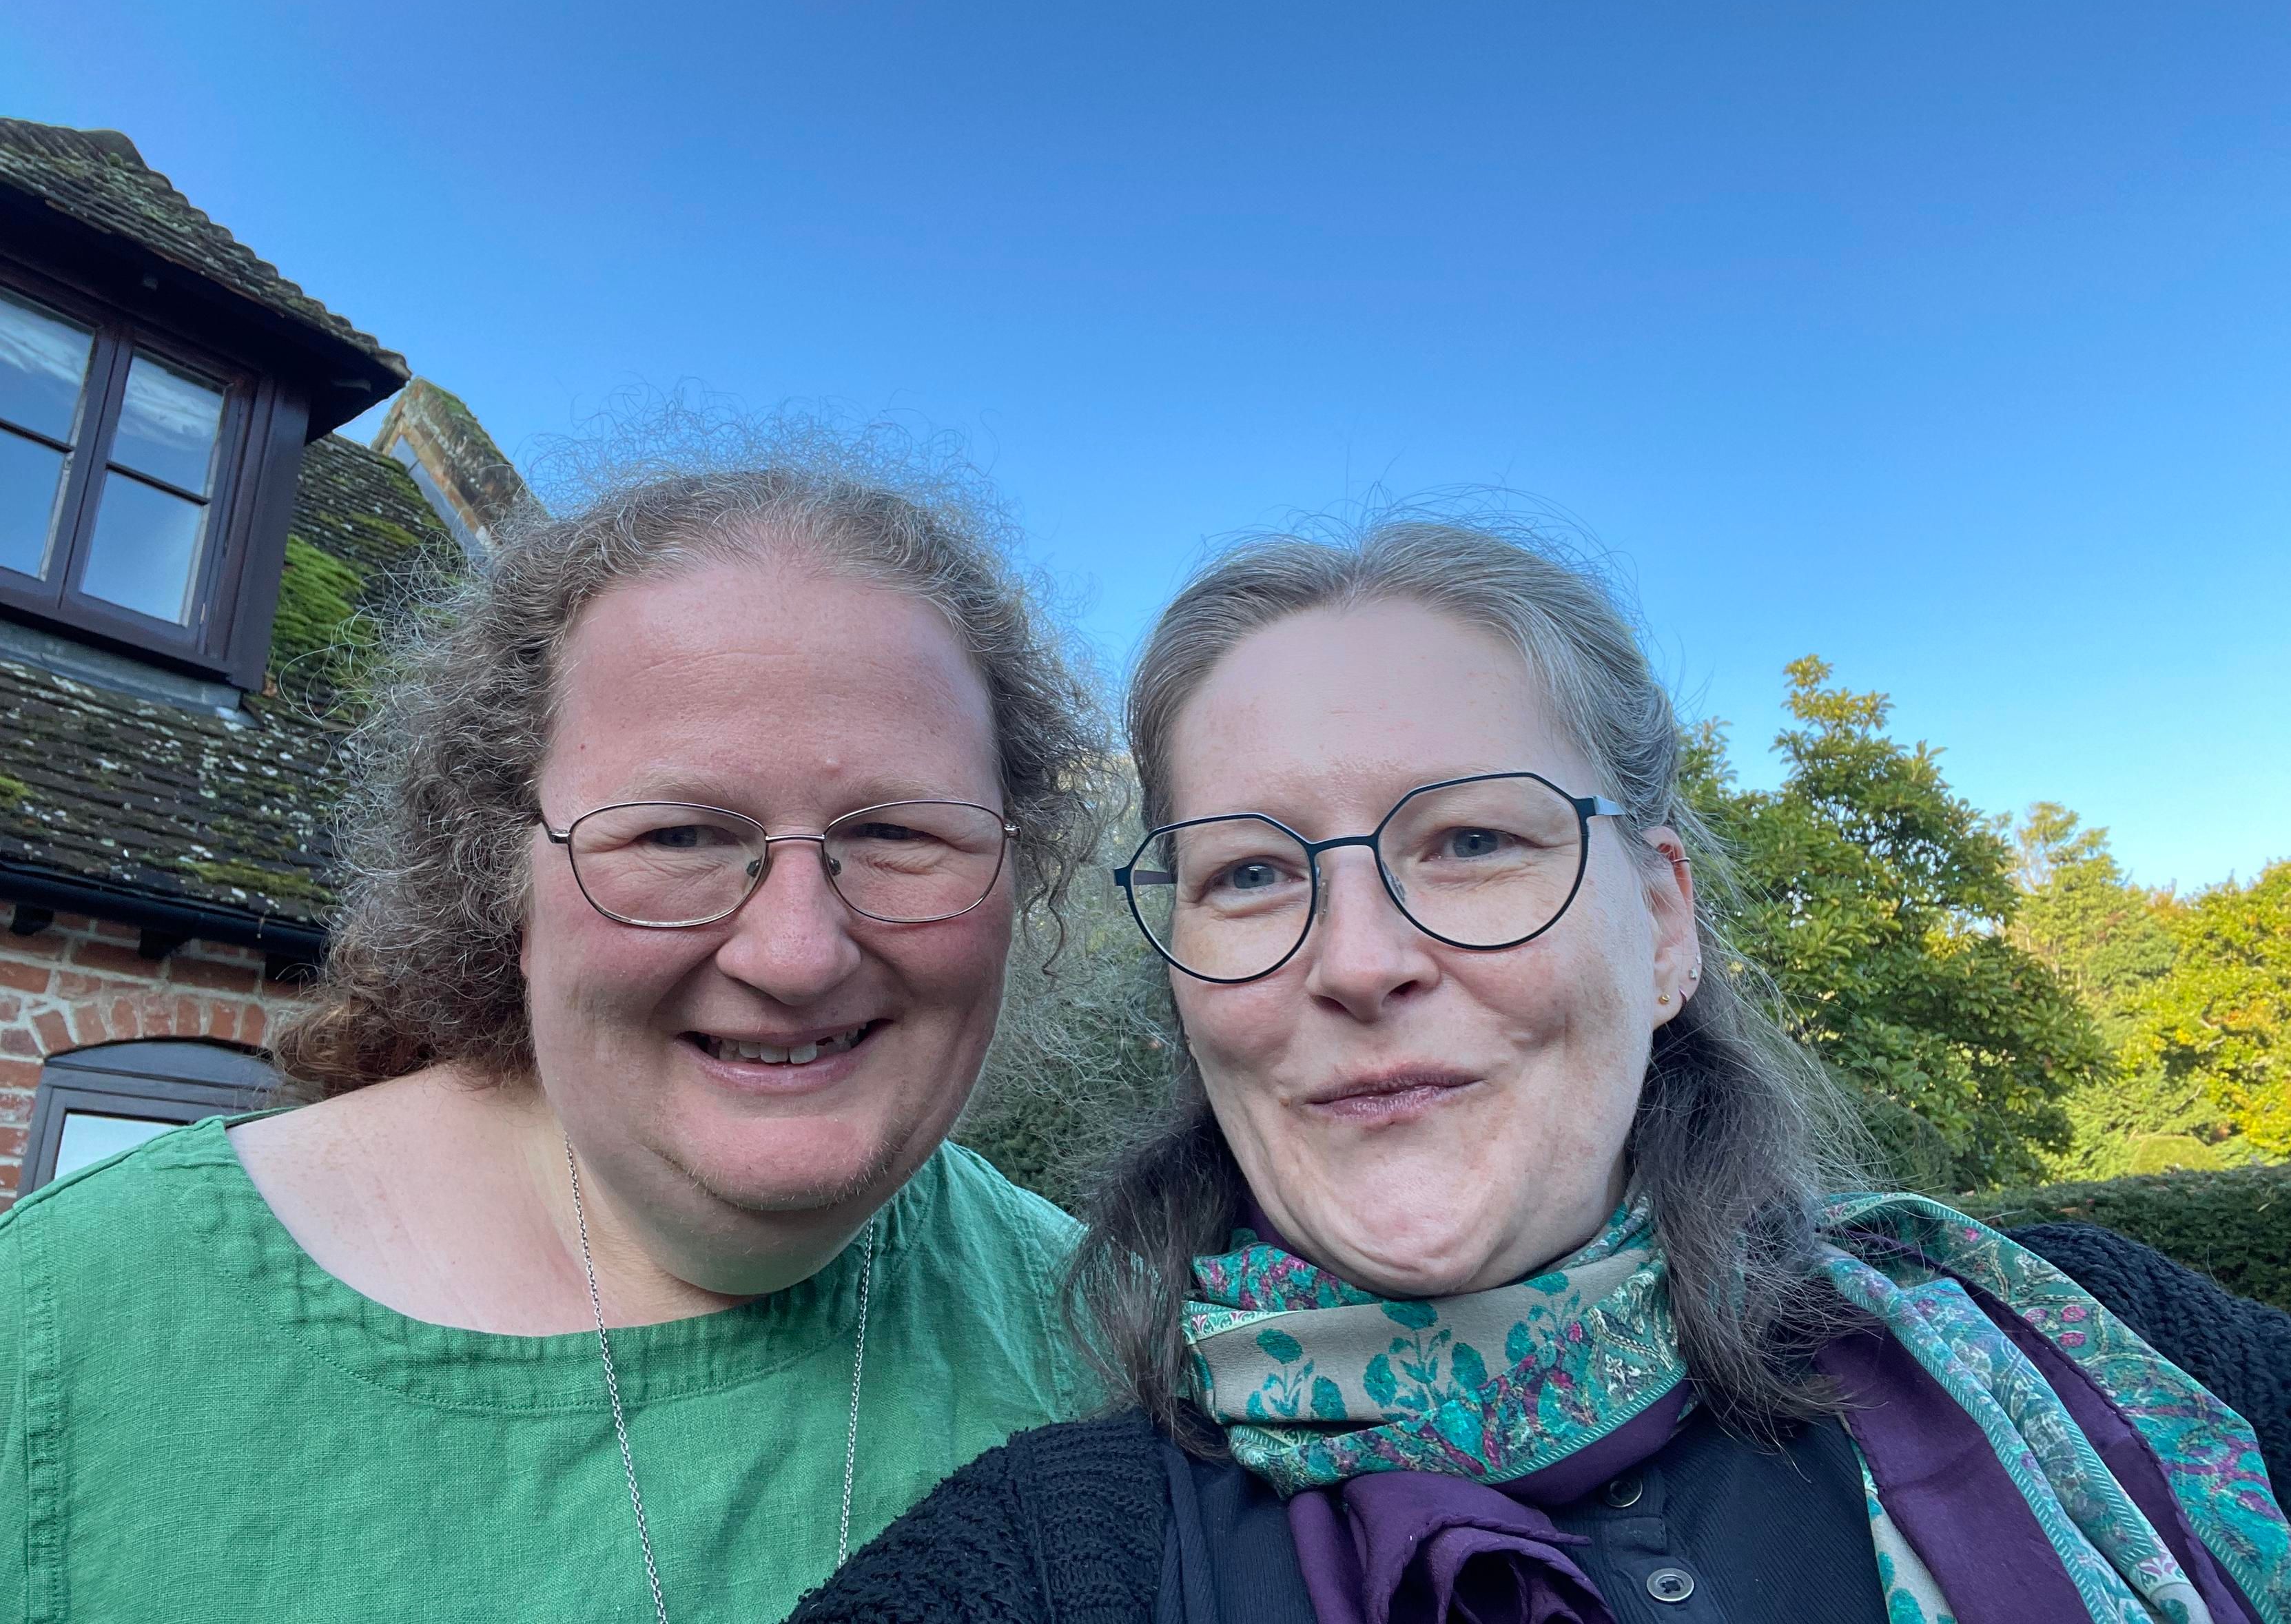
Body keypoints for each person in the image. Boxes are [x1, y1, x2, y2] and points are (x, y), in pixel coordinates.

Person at [793, 518, 2291, 1624]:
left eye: (1471, 840)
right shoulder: (1058, 1563)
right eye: (1249, 872)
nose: (1357, 957)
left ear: (1658, 922)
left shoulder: (2106, 1345)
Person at [0, 453, 1113, 1621]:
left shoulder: (1131, 1349)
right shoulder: (55, 1333)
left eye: (897, 830)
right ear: (501, 883)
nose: (795, 953)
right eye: (676, 835)